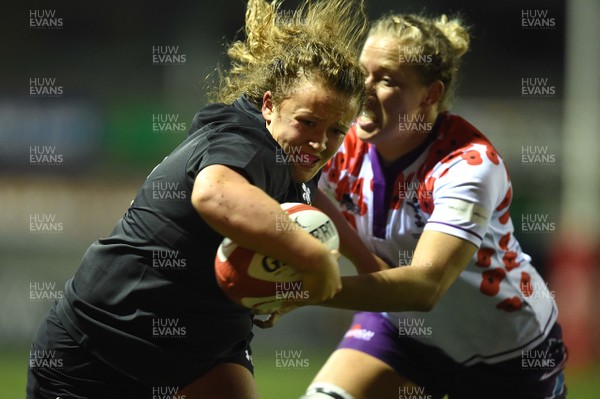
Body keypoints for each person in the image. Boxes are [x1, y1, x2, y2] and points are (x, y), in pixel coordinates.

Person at [26, 1, 376, 398]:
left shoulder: (291, 162)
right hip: (101, 351)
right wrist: (312, 258)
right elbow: (213, 194)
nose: (319, 142)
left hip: (201, 348)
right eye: (308, 122)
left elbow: (311, 199)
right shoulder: (245, 144)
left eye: (336, 130)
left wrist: (372, 267)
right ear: (268, 105)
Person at [300, 13, 568, 399]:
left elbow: (425, 287)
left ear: (430, 95)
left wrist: (302, 291)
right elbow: (301, 189)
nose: (364, 88)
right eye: (362, 72)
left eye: (386, 79)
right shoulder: (341, 142)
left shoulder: (468, 166)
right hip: (402, 332)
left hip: (506, 353)